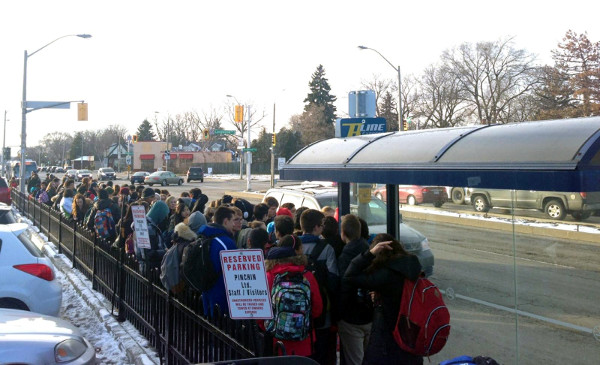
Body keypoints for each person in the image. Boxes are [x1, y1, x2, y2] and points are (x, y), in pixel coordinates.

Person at [343, 233, 423, 365]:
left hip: (387, 340)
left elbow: (349, 276)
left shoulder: (385, 275)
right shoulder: (413, 266)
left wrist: (369, 253)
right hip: (410, 336)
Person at [262, 234, 323, 357]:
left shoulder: (268, 276)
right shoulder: (307, 276)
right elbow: (317, 310)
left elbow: (262, 311)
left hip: (277, 341)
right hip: (304, 339)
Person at [298, 209, 339, 365]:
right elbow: (333, 278)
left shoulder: (295, 246)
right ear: (316, 227)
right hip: (322, 309)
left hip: (297, 308)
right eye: (321, 225)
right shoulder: (326, 248)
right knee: (322, 348)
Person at [336, 214, 372, 365]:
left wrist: (338, 315)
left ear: (343, 234)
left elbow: (344, 289)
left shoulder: (344, 257)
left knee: (354, 361)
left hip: (351, 319)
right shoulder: (370, 252)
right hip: (370, 316)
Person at [197, 205, 238, 318]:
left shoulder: (205, 236)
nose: (234, 224)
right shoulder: (226, 242)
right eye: (232, 221)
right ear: (225, 221)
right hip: (222, 295)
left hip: (207, 293)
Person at [136, 200, 170, 276]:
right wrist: (165, 251)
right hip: (151, 268)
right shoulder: (149, 229)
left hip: (147, 266)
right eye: (165, 216)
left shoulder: (147, 224)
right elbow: (148, 253)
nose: (165, 218)